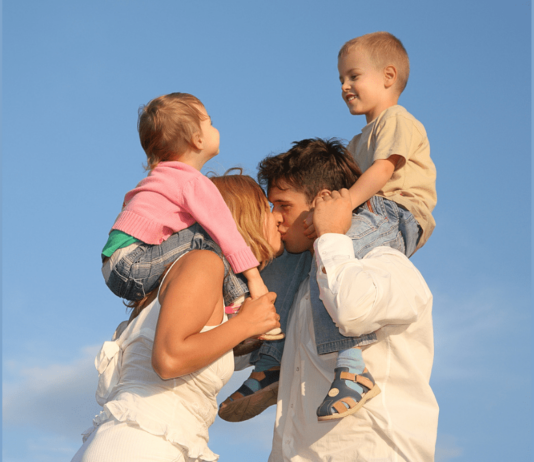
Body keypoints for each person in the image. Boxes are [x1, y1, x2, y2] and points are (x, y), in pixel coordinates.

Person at [220, 30, 437, 422]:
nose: (344, 86)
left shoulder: (397, 120)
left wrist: (341, 211)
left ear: (388, 76)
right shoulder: (357, 140)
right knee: (289, 259)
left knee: (330, 254)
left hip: (396, 212)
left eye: (353, 76)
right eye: (341, 78)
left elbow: (384, 169)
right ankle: (270, 359)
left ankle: (353, 367)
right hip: (363, 208)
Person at [222, 139, 438, 461]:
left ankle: (352, 372)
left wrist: (331, 234)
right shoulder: (300, 294)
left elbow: (351, 310)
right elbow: (225, 356)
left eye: (284, 205)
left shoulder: (385, 264)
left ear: (322, 201)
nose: (275, 217)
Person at [71, 174, 283, 462]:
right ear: (245, 216)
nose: (278, 218)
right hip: (141, 445)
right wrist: (245, 324)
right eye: (268, 207)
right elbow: (169, 360)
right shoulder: (203, 263)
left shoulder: (206, 279)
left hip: (154, 441)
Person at [101, 93, 282, 338]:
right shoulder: (191, 181)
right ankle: (240, 305)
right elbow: (226, 232)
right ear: (197, 140)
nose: (215, 128)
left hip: (115, 266)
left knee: (200, 240)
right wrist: (254, 279)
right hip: (133, 262)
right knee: (210, 236)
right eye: (210, 123)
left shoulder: (160, 178)